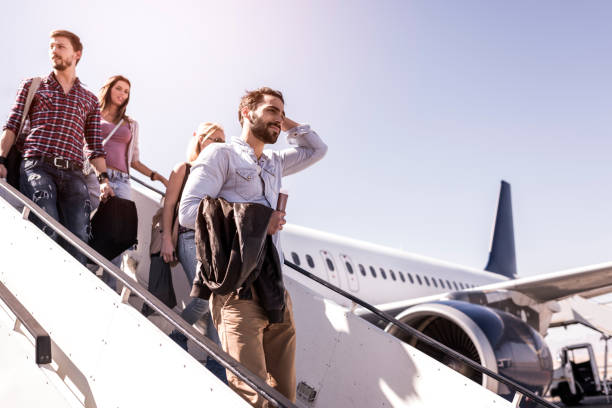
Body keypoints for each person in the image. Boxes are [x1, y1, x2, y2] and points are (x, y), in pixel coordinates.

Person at [179, 87, 327, 406]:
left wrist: (283, 123)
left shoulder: (274, 161)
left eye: (282, 113)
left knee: (285, 393)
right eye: (272, 111)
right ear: (247, 113)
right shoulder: (220, 155)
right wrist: (260, 221)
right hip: (236, 289)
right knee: (253, 396)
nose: (279, 118)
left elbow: (317, 149)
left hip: (275, 286)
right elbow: (188, 213)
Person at [0, 30, 114, 265]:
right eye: (52, 47)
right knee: (47, 225)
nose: (54, 51)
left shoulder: (89, 99)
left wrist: (103, 180)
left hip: (74, 174)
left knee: (80, 241)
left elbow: (94, 146)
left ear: (77, 54)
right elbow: (12, 125)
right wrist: (1, 159)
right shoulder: (33, 85)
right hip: (37, 165)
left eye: (61, 47)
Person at [160, 121, 227, 382]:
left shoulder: (219, 177)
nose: (218, 145)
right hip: (189, 238)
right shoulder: (185, 169)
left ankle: (217, 367)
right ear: (200, 140)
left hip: (213, 244)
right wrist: (167, 237)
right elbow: (169, 206)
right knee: (204, 297)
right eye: (213, 139)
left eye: (223, 141)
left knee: (214, 307)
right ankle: (176, 334)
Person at [94, 75, 168, 288]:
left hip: (122, 181)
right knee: (87, 222)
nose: (122, 94)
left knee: (119, 233)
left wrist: (157, 176)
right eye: (119, 88)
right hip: (96, 176)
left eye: (126, 91)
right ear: (109, 90)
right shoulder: (93, 116)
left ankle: (110, 285)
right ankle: (85, 264)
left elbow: (134, 160)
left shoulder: (131, 124)